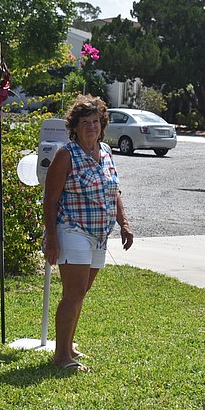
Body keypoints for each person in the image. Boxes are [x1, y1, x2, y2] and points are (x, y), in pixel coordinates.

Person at [43, 95, 134, 371]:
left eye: (96, 121)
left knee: (81, 292)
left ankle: (68, 345)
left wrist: (124, 222)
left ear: (102, 124)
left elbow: (113, 190)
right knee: (73, 293)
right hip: (73, 230)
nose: (92, 127)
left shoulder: (106, 151)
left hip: (99, 235)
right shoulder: (65, 155)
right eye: (85, 123)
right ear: (75, 127)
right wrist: (52, 238)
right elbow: (50, 199)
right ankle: (61, 357)